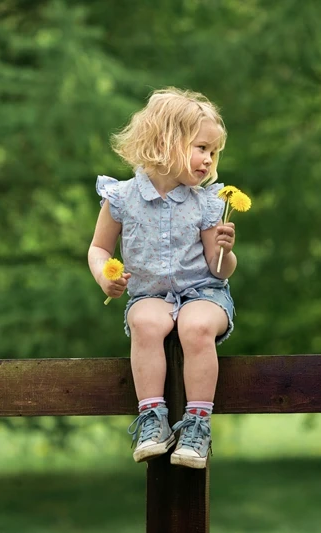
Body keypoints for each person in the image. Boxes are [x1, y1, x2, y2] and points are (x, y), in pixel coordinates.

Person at [87, 87, 237, 469]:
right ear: (165, 140)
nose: (208, 160)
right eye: (201, 147)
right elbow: (99, 249)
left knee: (196, 324)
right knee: (144, 321)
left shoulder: (206, 203)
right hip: (150, 294)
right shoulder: (121, 197)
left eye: (213, 152)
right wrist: (107, 276)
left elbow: (218, 270)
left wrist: (225, 250)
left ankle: (197, 425)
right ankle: (153, 419)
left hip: (203, 292)